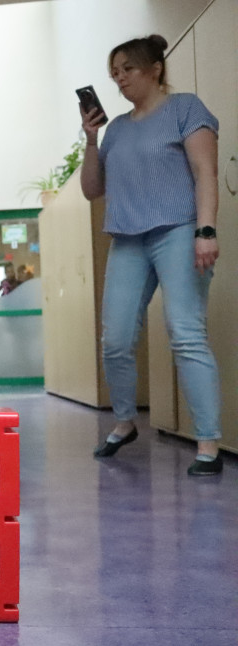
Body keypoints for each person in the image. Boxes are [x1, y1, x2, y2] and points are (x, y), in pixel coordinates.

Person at [80, 34, 222, 475]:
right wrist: (91, 138)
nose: (119, 80)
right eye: (114, 74)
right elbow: (91, 190)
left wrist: (206, 230)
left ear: (155, 69)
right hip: (127, 238)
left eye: (127, 70)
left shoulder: (186, 109)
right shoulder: (117, 128)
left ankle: (208, 443)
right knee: (116, 338)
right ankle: (124, 422)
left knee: (185, 332)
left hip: (179, 230)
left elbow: (205, 171)